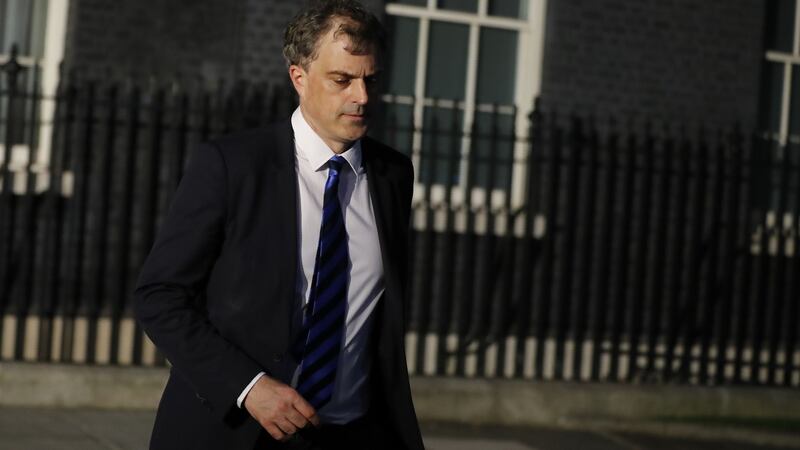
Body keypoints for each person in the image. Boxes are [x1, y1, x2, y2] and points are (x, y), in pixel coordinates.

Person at [133, 1, 424, 448]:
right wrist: (249, 387)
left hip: (352, 434)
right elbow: (160, 296)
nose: (362, 97)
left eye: (371, 80)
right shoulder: (232, 166)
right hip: (235, 433)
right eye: (342, 79)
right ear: (299, 77)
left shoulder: (392, 176)